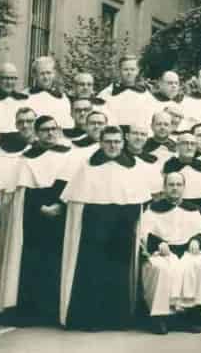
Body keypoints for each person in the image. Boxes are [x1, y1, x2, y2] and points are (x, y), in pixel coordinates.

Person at [59, 126, 152, 330]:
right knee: (93, 272)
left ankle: (117, 319)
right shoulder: (88, 167)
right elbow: (76, 201)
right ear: (101, 143)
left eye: (117, 142)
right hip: (94, 229)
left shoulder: (133, 167)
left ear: (123, 143)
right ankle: (92, 319)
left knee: (118, 273)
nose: (112, 146)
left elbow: (140, 201)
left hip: (122, 229)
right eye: (108, 141)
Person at [0, 116, 71, 325]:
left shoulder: (69, 155)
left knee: (58, 262)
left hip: (63, 214)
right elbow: (22, 190)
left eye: (54, 129)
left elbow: (73, 184)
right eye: (45, 129)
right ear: (37, 133)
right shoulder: (26, 158)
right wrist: (40, 207)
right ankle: (32, 312)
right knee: (33, 263)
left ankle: (55, 313)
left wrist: (59, 205)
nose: (50, 133)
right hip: (34, 217)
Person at [139, 172, 201, 334]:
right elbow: (144, 233)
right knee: (162, 268)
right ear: (164, 187)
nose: (175, 188)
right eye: (171, 185)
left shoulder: (193, 210)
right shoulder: (152, 210)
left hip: (187, 250)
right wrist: (158, 243)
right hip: (163, 252)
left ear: (184, 188)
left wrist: (196, 240)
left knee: (197, 265)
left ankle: (192, 316)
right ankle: (160, 317)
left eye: (179, 185)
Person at [162, 132, 201, 209]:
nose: (189, 147)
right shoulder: (169, 165)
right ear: (177, 146)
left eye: (192, 144)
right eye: (185, 143)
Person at [99, 55, 155, 128]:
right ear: (119, 70)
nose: (129, 73)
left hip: (138, 131)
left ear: (138, 71)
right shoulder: (107, 93)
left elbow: (150, 117)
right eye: (126, 69)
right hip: (115, 132)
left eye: (132, 69)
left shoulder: (146, 94)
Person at [25, 57, 73, 130]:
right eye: (42, 73)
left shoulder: (63, 98)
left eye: (48, 73)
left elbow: (67, 123)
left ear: (54, 74)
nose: (46, 77)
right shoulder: (25, 96)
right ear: (34, 75)